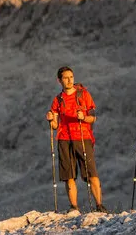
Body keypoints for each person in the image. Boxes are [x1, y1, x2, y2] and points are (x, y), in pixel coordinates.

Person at [46, 66, 109, 214]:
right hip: (64, 138)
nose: (69, 80)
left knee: (92, 173)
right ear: (59, 80)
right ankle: (74, 207)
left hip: (83, 136)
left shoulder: (84, 94)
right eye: (66, 78)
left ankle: (99, 205)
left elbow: (93, 117)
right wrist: (50, 119)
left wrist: (83, 117)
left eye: (71, 77)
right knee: (69, 176)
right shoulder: (58, 100)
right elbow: (55, 125)